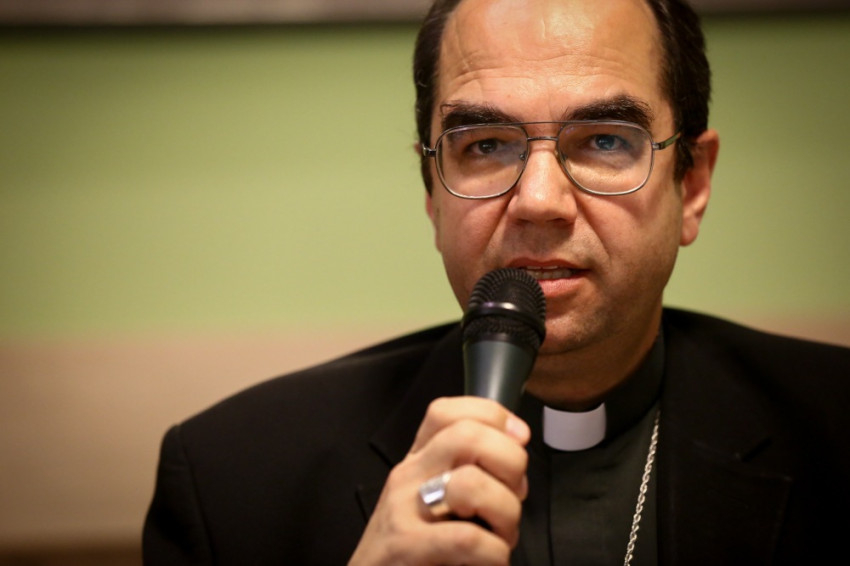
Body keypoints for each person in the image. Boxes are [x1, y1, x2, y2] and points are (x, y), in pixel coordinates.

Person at [143, 0, 850, 563]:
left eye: (605, 140)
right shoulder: (229, 480)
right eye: (485, 145)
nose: (539, 201)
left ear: (691, 186)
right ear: (431, 193)